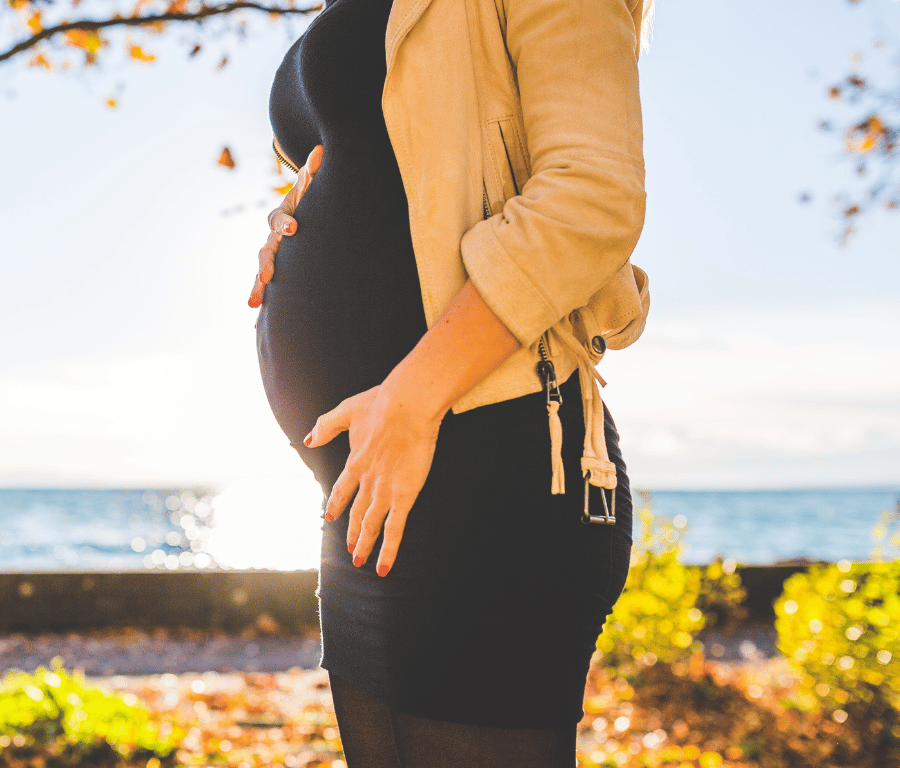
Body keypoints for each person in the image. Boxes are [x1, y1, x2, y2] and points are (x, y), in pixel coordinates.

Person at [248, 0, 655, 764]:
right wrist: (293, 218)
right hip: (370, 484)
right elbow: (389, 164)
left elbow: (592, 195)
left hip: (488, 460)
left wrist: (414, 395)